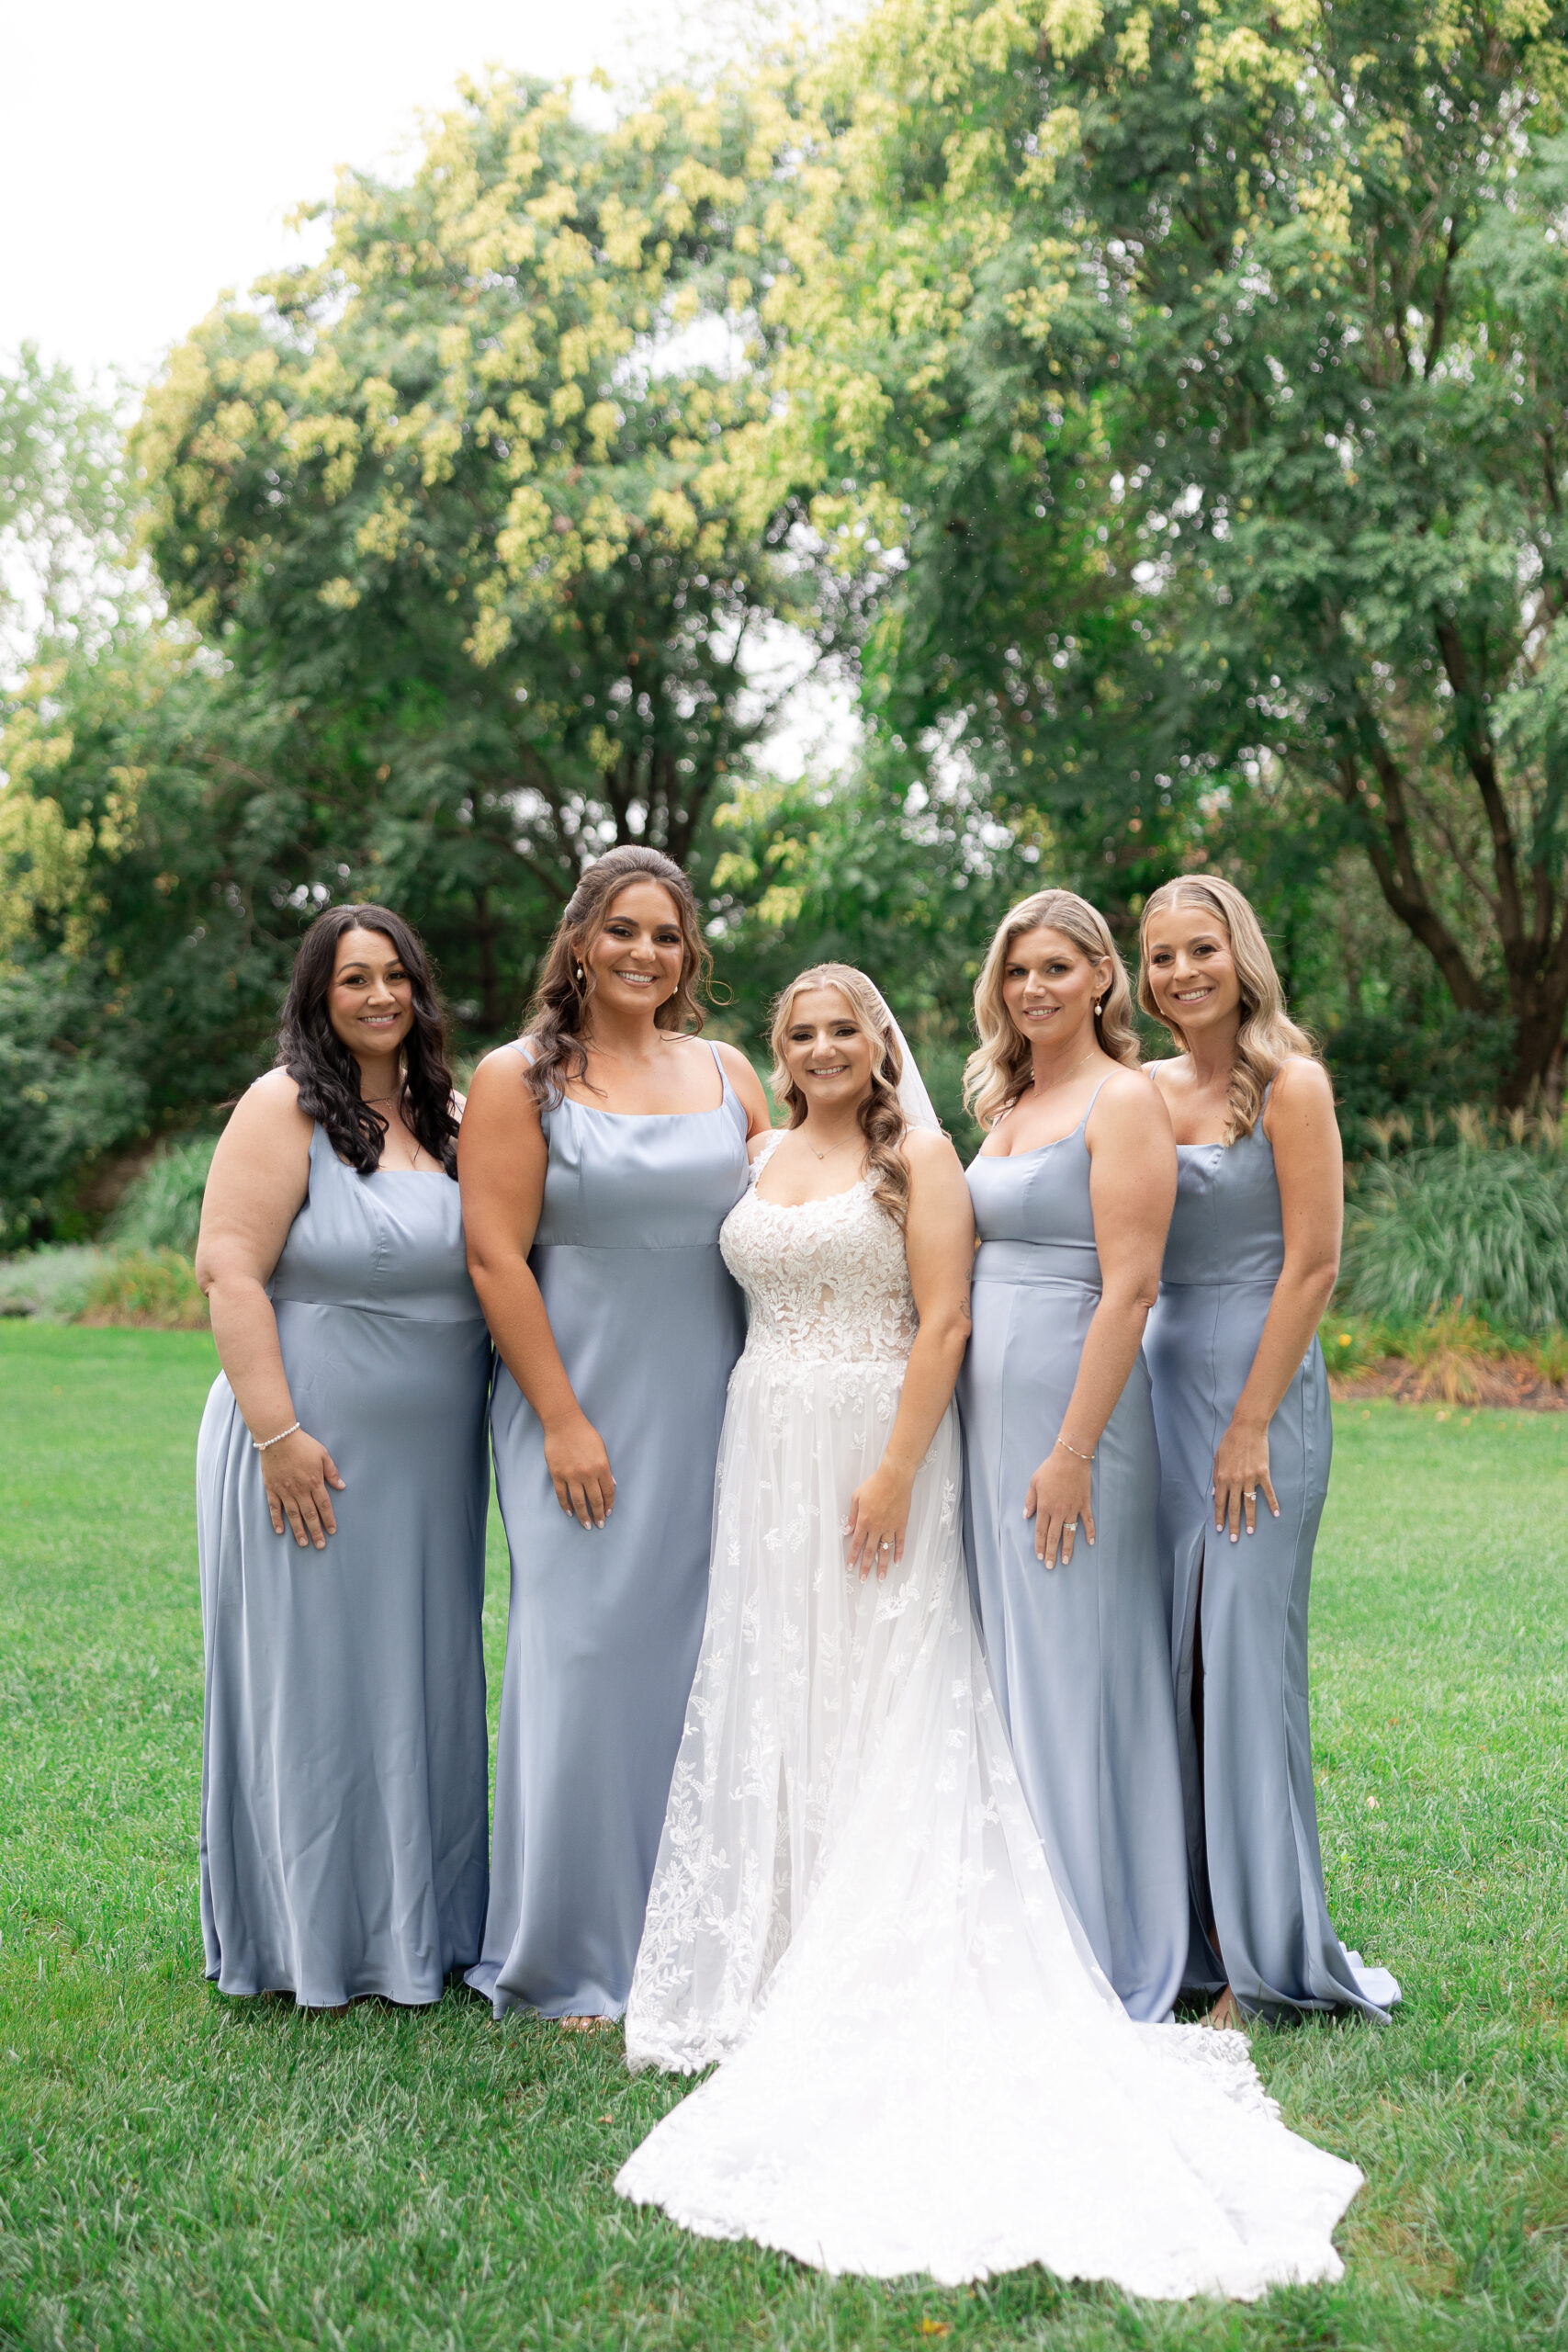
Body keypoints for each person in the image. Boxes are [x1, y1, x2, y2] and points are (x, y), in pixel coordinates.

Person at [616, 965, 1364, 2298]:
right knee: (788, 1678)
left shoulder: (929, 1152)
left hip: (899, 1436)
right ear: (777, 1052)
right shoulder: (775, 1141)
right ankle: (785, 1922)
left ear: (881, 1039)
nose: (824, 1045)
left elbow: (960, 1311)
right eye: (801, 1031)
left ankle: (1141, 1933)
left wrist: (906, 1466)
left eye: (846, 1025)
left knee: (924, 1679)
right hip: (766, 1442)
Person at [459, 845, 771, 2023]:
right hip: (575, 1403)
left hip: (717, 1401)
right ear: (580, 942)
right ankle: (573, 1954)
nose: (646, 952)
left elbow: (800, 1203)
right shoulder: (520, 1077)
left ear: (689, 955)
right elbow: (495, 1255)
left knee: (704, 1666)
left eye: (668, 934)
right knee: (583, 1659)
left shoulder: (731, 1072)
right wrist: (560, 1418)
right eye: (624, 930)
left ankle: (694, 1935)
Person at [195, 904, 490, 2008]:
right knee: (314, 1691)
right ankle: (311, 1942)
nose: (378, 996)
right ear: (319, 997)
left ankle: (425, 1931)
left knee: (419, 1681)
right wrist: (277, 1435)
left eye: (396, 976)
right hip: (303, 1447)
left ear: (421, 990)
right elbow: (228, 1267)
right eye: (352, 979)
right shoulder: (286, 1105)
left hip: (430, 1470)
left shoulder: (452, 1113)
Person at [1139, 873, 1399, 2025]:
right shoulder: (1139, 1093)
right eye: (1159, 957)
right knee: (1172, 1673)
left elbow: (1312, 1264)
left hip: (1262, 1399)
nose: (1181, 972)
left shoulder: (1291, 1085)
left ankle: (1266, 1955)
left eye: (1201, 948)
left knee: (1246, 1668)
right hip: (1156, 1389)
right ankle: (1188, 1941)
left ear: (1240, 952)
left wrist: (1249, 1424)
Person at [958, 889, 1189, 2019]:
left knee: (1079, 1666)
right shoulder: (1012, 1098)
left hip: (1074, 1422)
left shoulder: (1124, 1098)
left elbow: (1132, 1284)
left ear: (1104, 977)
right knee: (1011, 1670)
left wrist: (1074, 1449)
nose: (1035, 987)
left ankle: (1103, 1928)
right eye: (1017, 971)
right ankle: (1023, 1915)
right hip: (987, 1424)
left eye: (1058, 967)